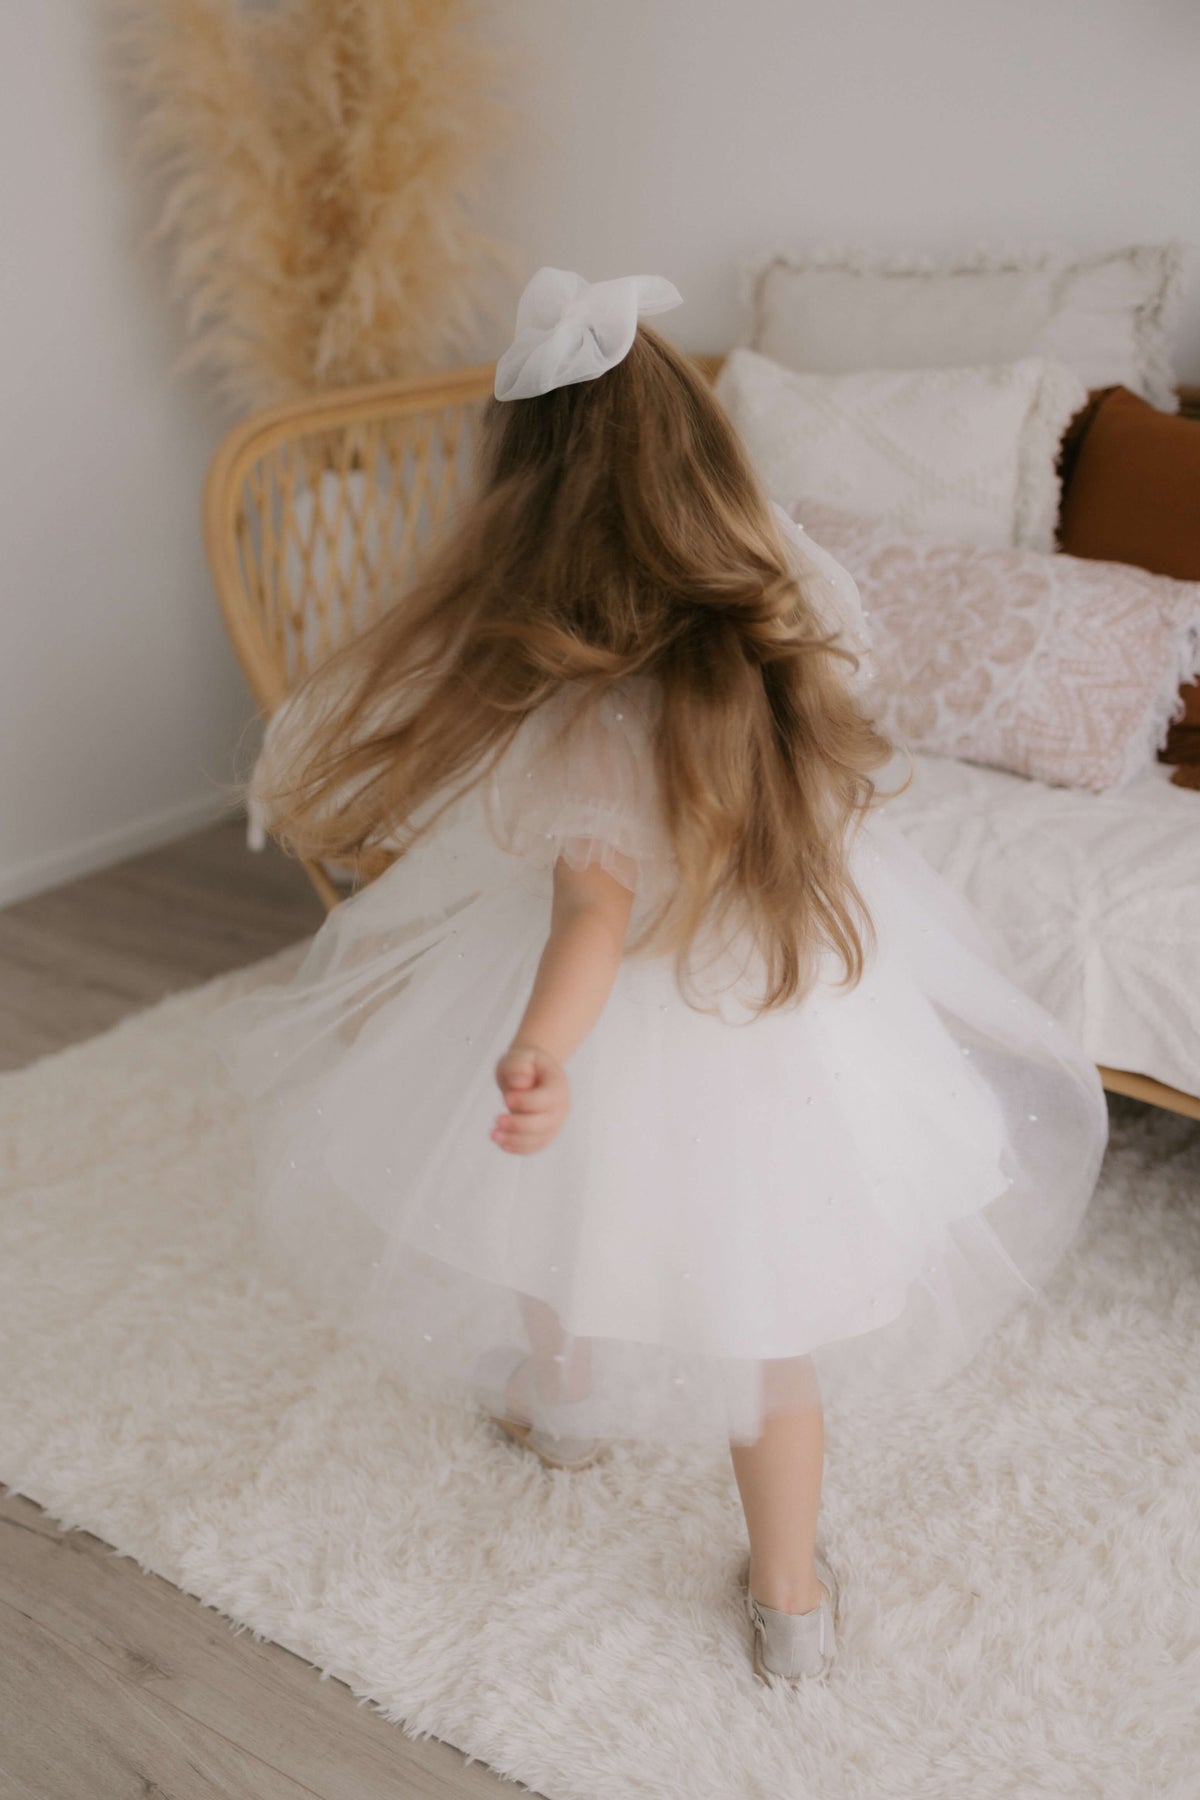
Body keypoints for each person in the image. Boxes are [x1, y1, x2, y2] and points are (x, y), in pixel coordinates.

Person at [210, 267, 1108, 1686]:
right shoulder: (793, 602)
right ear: (700, 461)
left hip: (630, 1022)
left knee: (562, 1209)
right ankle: (793, 1595)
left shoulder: (593, 713)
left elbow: (587, 914)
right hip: (790, 1001)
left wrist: (546, 1050)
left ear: (531, 510)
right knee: (774, 1325)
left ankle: (564, 1402)